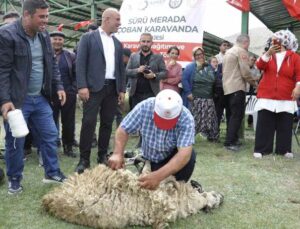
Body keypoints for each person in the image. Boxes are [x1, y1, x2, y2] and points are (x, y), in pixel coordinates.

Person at [0, 0, 67, 194]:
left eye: (47, 16)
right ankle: (14, 179)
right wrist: (4, 100)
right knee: (16, 141)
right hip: (17, 102)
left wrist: (59, 86)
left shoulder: (44, 35)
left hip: (41, 98)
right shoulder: (7, 35)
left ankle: (51, 172)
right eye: (42, 16)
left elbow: (51, 64)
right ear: (27, 15)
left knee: (50, 135)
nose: (46, 21)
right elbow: (2, 71)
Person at [108, 89, 196, 190]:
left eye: (168, 122)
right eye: (161, 120)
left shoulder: (186, 118)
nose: (163, 126)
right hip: (150, 158)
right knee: (148, 187)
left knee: (190, 156)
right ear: (155, 109)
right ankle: (156, 174)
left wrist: (158, 176)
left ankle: (177, 185)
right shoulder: (145, 107)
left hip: (170, 159)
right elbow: (123, 129)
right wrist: (117, 153)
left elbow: (184, 155)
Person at [75, 8, 126, 174]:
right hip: (93, 88)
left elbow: (120, 68)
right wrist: (82, 86)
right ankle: (84, 159)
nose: (119, 23)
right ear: (107, 19)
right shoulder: (88, 38)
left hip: (112, 88)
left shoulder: (118, 43)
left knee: (107, 123)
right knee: (89, 122)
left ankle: (102, 155)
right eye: (117, 20)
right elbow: (80, 63)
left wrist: (121, 89)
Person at [253, 30, 300, 159]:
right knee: (264, 123)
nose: (273, 42)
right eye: (273, 40)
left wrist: (298, 87)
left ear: (284, 41)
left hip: (286, 95)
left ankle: (284, 149)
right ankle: (262, 149)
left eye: (276, 39)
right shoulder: (268, 55)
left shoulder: (295, 57)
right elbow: (259, 66)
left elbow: (299, 75)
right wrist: (268, 53)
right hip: (267, 95)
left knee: (285, 123)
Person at [222, 34, 257, 152]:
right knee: (237, 116)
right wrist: (255, 84)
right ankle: (230, 142)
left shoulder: (228, 52)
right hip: (237, 87)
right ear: (246, 42)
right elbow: (246, 72)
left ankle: (233, 139)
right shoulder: (241, 51)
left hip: (227, 87)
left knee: (231, 115)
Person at [50, 31, 77, 158]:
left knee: (68, 121)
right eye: (55, 38)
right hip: (50, 94)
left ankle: (68, 146)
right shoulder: (45, 54)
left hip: (69, 93)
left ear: (63, 41)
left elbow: (77, 73)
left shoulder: (70, 55)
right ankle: (51, 145)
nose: (57, 41)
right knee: (50, 120)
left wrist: (73, 89)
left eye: (60, 39)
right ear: (50, 40)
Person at [182, 47, 219, 141]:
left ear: (203, 54)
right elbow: (184, 80)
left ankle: (212, 136)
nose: (199, 56)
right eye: (197, 55)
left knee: (211, 117)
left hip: (209, 97)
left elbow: (213, 79)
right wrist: (188, 92)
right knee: (195, 117)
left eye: (201, 54)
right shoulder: (190, 67)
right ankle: (189, 137)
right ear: (194, 56)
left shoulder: (209, 66)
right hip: (196, 97)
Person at [126, 33, 167, 109]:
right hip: (135, 94)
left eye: (148, 41)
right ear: (140, 42)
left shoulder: (158, 57)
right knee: (136, 118)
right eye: (143, 41)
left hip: (152, 93)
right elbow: (127, 71)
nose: (145, 44)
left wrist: (154, 75)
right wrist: (137, 70)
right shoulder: (133, 56)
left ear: (152, 43)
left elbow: (165, 73)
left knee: (151, 118)